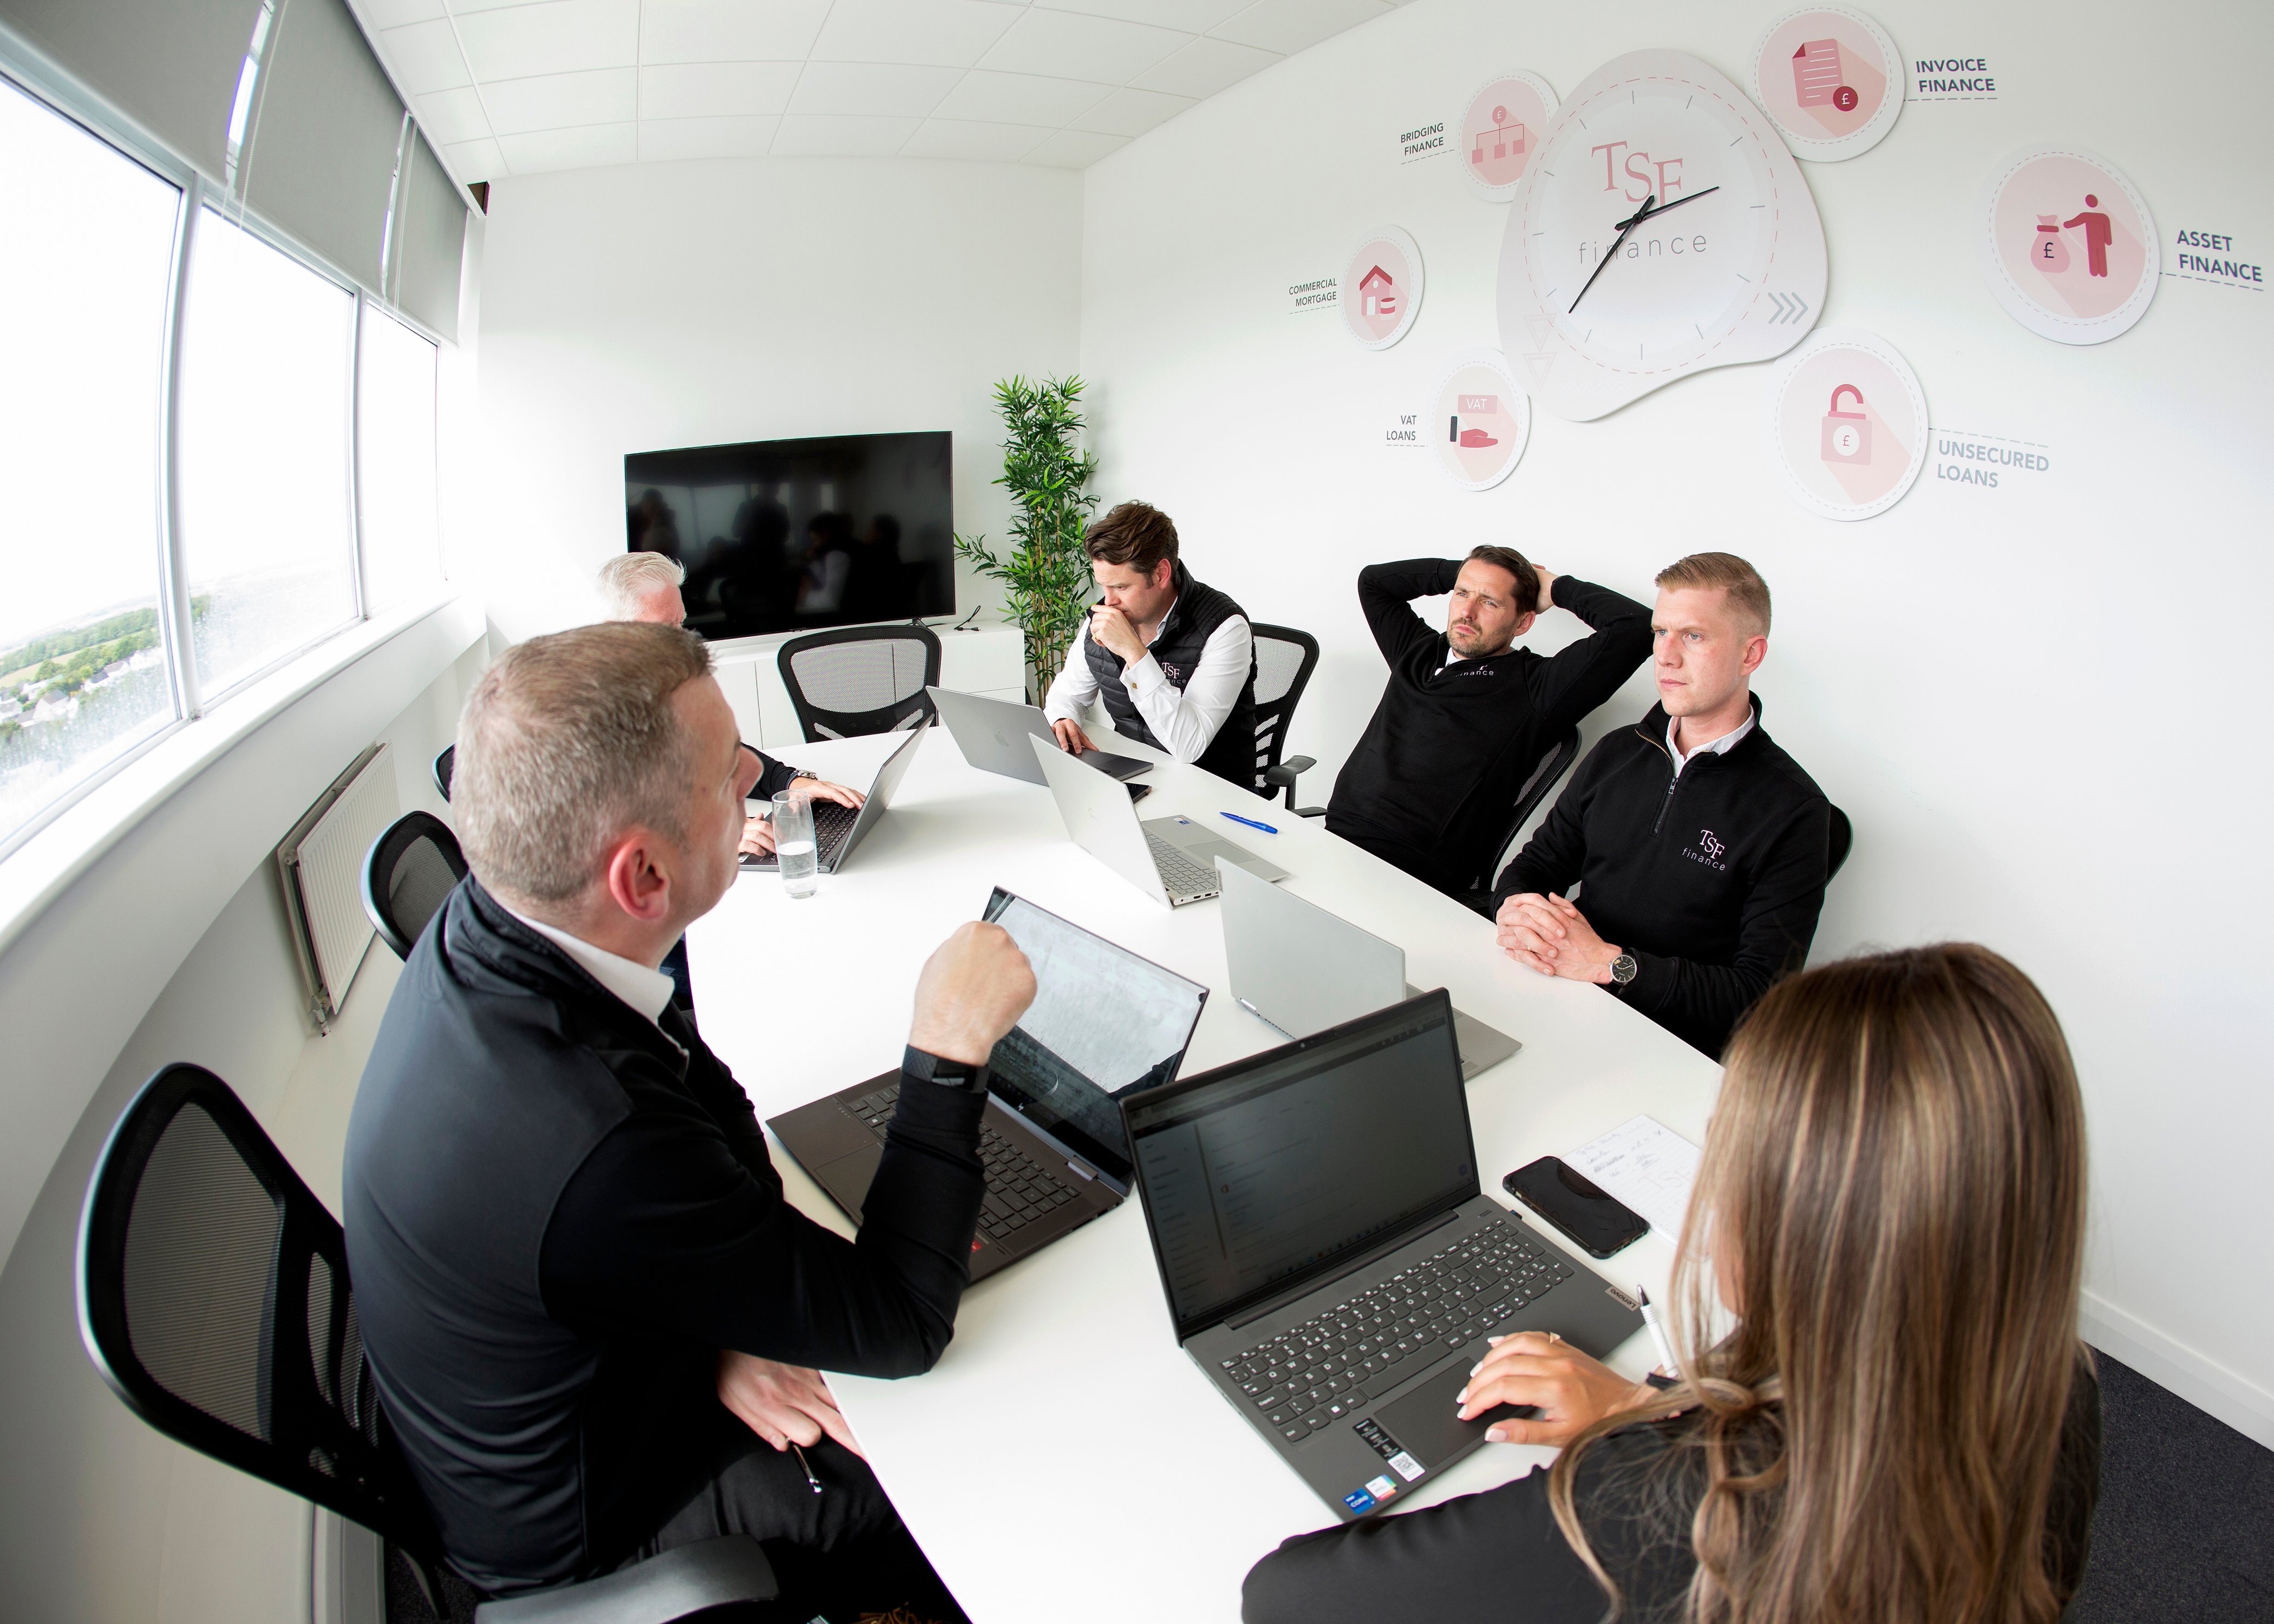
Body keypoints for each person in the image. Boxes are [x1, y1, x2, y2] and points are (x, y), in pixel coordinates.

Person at [344, 622, 1038, 1617]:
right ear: (643, 877)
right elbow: (900, 1322)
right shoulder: (597, 1138)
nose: (759, 776)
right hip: (598, 1524)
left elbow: (718, 1132)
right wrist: (946, 1050)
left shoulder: (500, 930)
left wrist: (715, 1325)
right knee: (957, 1444)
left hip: (560, 1394)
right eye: (729, 777)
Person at [1243, 942, 2101, 1624]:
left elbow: (1284, 1598)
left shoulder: (1667, 1509)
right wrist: (1635, 1407)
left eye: (1730, 1147)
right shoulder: (2056, 1379)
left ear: (1795, 1227)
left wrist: (1626, 1447)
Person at [1490, 553, 1829, 1057]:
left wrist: (1609, 964)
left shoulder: (1794, 810)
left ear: (1750, 655)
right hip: (1560, 994)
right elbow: (1536, 866)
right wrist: (1515, 911)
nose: (1665, 656)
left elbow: (1760, 997)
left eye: (1693, 636)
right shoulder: (1620, 752)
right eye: (1660, 632)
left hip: (1668, 1044)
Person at [1323, 549, 1651, 900]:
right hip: (1334, 836)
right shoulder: (1417, 650)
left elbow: (1637, 628)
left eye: (1490, 602)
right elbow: (1374, 582)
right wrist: (1466, 573)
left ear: (1523, 623)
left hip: (1411, 874)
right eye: (1462, 594)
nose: (1467, 612)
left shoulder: (1538, 688)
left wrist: (1554, 588)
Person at [593, 553, 865, 866]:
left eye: (680, 623)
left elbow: (718, 752)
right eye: (665, 628)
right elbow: (604, 823)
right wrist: (712, 834)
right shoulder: (588, 707)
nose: (683, 641)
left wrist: (792, 782)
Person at [1043, 500, 1259, 787]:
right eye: (1104, 587)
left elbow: (1189, 746)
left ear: (1160, 574)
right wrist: (1062, 719)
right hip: (1137, 774)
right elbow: (1068, 693)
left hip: (1212, 788)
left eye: (1121, 587)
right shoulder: (1107, 614)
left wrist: (1134, 652)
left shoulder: (1224, 628)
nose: (1108, 601)